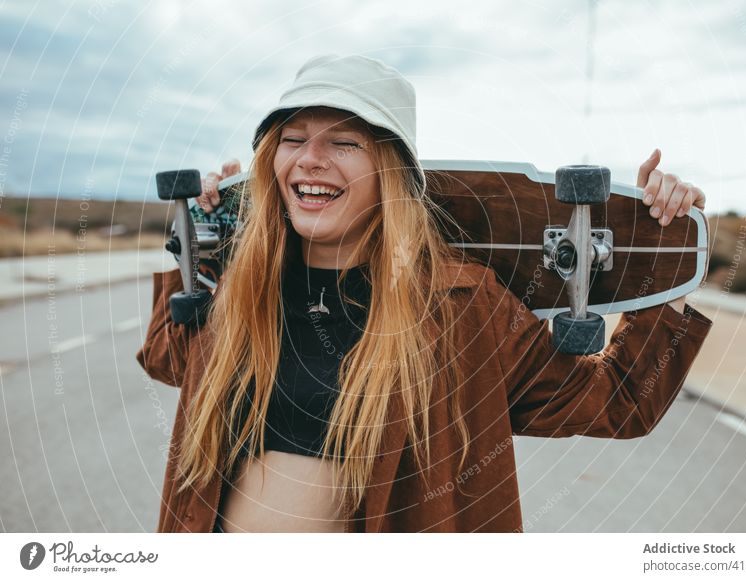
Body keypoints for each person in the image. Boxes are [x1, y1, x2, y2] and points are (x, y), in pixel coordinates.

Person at [136, 53, 713, 533]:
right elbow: (166, 356)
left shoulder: (459, 306)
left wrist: (665, 261)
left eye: (344, 143)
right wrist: (196, 243)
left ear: (389, 168)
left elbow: (616, 402)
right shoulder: (244, 287)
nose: (310, 158)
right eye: (292, 138)